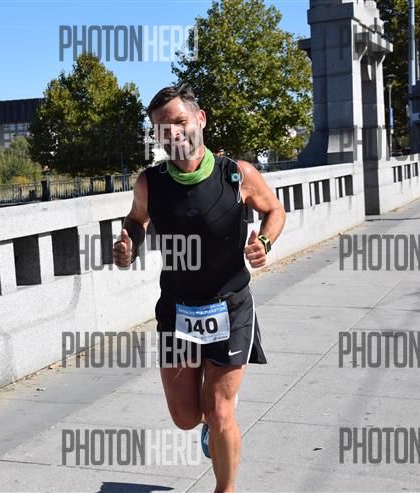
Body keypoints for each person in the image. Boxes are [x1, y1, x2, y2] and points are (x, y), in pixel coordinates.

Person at [112, 84, 285, 493]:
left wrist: (264, 241)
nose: (172, 132)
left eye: (179, 121)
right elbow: (137, 220)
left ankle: (225, 487)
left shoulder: (237, 174)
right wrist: (128, 243)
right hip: (177, 311)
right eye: (161, 127)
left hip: (230, 306)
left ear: (200, 119)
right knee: (187, 416)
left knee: (221, 410)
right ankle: (206, 421)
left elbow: (274, 209)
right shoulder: (150, 183)